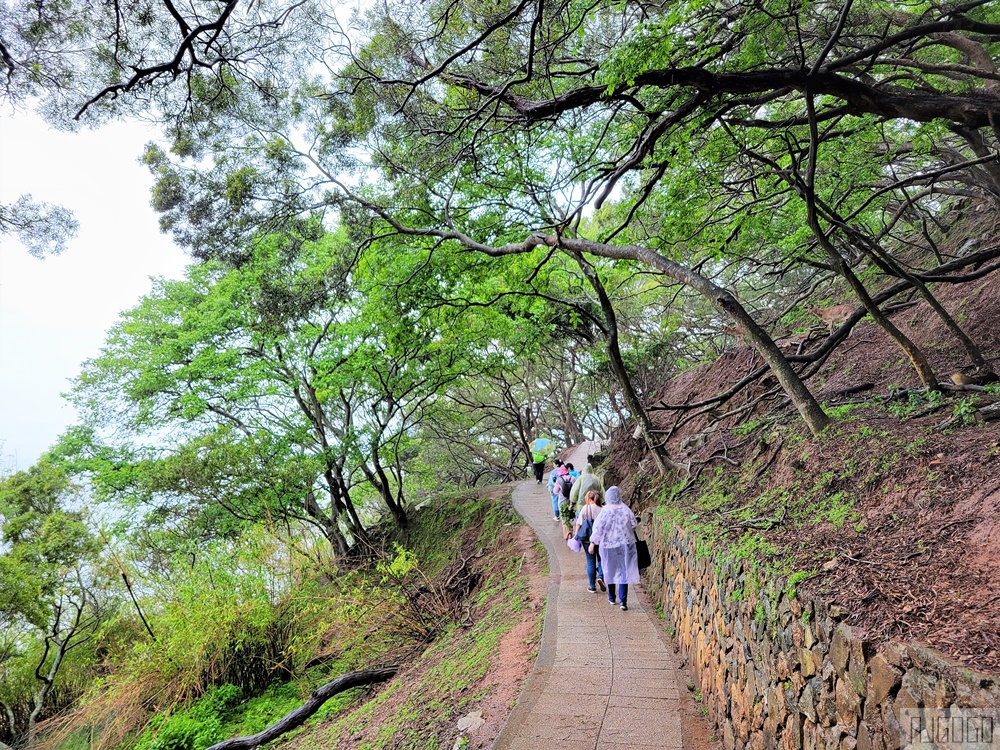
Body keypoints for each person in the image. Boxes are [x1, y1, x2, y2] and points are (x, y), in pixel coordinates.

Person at [589, 486, 640, 611]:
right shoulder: (626, 510)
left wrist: (592, 542)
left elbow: (598, 529)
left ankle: (612, 597)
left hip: (608, 546)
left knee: (609, 570)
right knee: (624, 572)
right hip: (625, 545)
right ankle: (623, 601)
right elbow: (634, 524)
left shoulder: (605, 511)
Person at [574, 490, 605, 593]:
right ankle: (600, 576)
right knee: (601, 559)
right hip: (600, 539)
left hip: (587, 538)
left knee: (590, 561)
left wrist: (576, 536)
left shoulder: (585, 508)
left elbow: (578, 523)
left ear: (589, 499)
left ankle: (592, 586)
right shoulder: (602, 509)